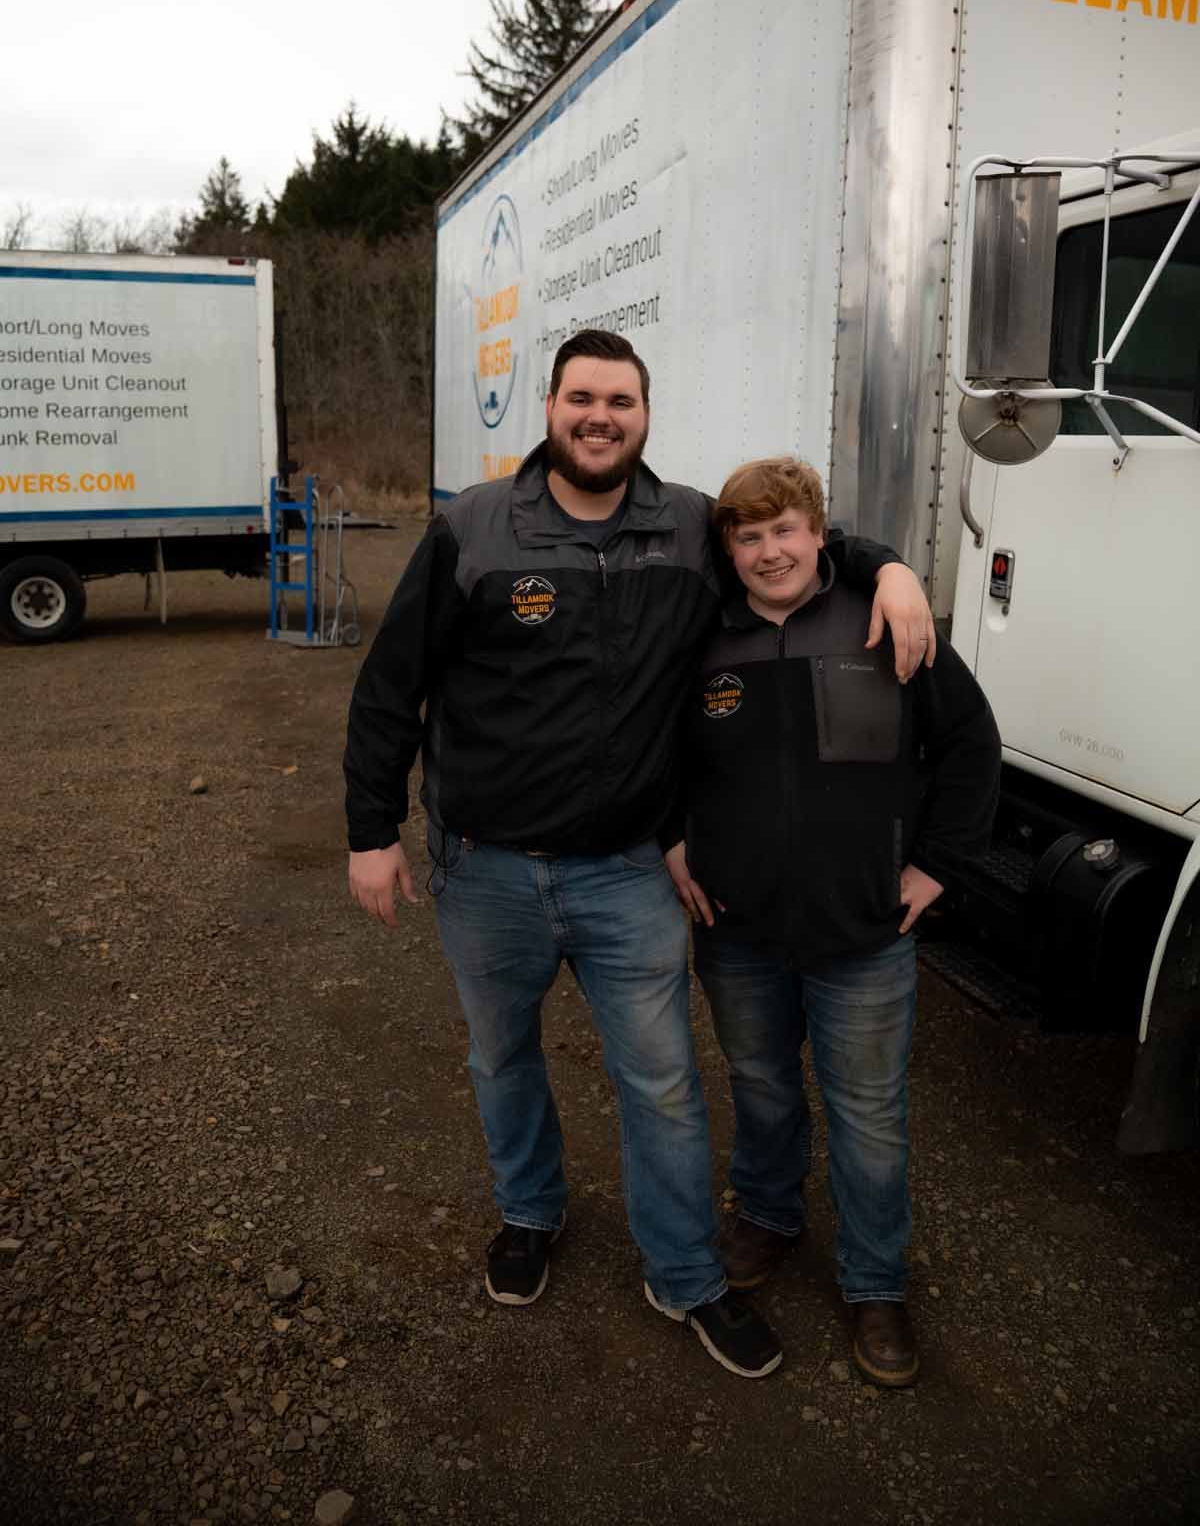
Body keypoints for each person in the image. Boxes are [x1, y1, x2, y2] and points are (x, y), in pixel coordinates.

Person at [343, 330, 935, 1381]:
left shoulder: (687, 529)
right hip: (487, 869)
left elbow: (794, 546)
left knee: (662, 1083)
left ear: (647, 415)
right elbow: (392, 686)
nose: (599, 417)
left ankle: (687, 1276)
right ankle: (529, 1215)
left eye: (620, 400)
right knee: (502, 1057)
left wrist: (889, 567)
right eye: (581, 398)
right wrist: (369, 829)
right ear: (552, 410)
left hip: (627, 872)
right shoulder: (474, 529)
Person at [665, 455, 1000, 1388]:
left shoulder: (882, 617)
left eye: (787, 531)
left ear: (820, 535)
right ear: (727, 549)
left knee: (869, 1117)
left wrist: (937, 867)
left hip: (865, 934)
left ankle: (874, 1282)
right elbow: (652, 753)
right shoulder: (701, 639)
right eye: (749, 536)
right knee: (763, 1087)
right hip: (737, 932)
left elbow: (971, 745)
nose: (771, 552)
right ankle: (768, 1214)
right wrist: (669, 841)